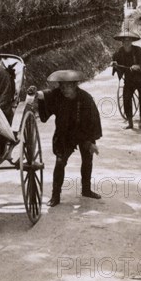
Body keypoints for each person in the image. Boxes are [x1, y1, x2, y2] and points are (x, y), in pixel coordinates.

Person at [32, 70, 102, 207]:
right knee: (60, 163)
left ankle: (86, 189)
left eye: (68, 86)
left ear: (75, 85)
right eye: (61, 86)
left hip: (83, 133)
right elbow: (44, 102)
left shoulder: (86, 98)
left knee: (87, 159)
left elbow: (93, 122)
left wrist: (90, 142)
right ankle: (55, 195)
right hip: (64, 135)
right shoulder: (57, 95)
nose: (64, 89)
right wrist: (38, 97)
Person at [111, 31, 141, 130]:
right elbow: (119, 68)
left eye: (128, 40)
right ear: (121, 42)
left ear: (132, 41)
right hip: (129, 79)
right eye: (124, 41)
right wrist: (115, 65)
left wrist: (139, 67)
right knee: (126, 97)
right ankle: (130, 122)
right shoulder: (119, 52)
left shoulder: (138, 51)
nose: (126, 43)